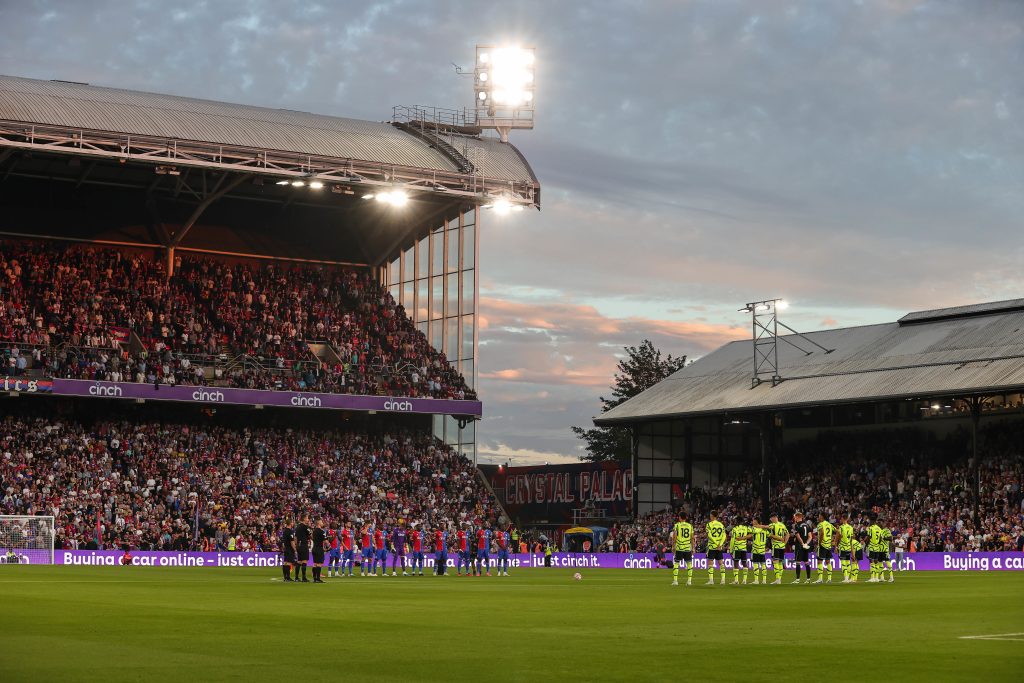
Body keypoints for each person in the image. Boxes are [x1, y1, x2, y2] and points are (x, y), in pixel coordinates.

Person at [670, 510, 695, 587]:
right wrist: (693, 548)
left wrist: (673, 546)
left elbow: (674, 537)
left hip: (679, 548)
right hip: (687, 548)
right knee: (689, 564)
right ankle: (689, 581)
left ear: (680, 517)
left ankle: (675, 581)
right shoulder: (690, 526)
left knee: (676, 564)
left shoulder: (677, 525)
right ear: (686, 518)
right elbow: (692, 538)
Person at [704, 510, 727, 585]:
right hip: (719, 547)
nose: (710, 517)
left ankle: (711, 580)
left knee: (710, 562)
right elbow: (724, 536)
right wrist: (720, 544)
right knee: (721, 562)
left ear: (712, 516)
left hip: (712, 546)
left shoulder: (709, 524)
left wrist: (716, 543)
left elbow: (709, 535)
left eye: (710, 516)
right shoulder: (721, 525)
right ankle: (723, 580)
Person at [791, 511, 813, 584]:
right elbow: (810, 536)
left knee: (798, 562)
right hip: (806, 546)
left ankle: (797, 579)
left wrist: (802, 543)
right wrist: (806, 543)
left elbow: (798, 536)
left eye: (794, 517)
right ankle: (808, 579)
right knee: (806, 562)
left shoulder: (796, 525)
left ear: (797, 517)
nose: (794, 518)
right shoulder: (807, 525)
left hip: (799, 546)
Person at [814, 512, 836, 584]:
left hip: (822, 545)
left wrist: (819, 543)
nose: (818, 517)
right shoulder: (829, 524)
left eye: (819, 516)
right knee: (828, 562)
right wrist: (834, 541)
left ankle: (820, 579)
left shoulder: (820, 524)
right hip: (828, 545)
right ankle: (829, 579)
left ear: (822, 517)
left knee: (819, 561)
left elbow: (822, 533)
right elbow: (838, 531)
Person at [748, 516, 769, 585]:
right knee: (763, 564)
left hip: (756, 549)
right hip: (762, 549)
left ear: (756, 521)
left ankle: (756, 580)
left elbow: (749, 531)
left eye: (753, 520)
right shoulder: (764, 530)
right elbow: (769, 535)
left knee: (756, 564)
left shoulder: (755, 528)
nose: (752, 522)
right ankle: (764, 580)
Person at [729, 520, 750, 585]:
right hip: (744, 548)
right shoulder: (746, 528)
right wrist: (744, 537)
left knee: (736, 563)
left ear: (737, 522)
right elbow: (752, 533)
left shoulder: (735, 529)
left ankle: (736, 580)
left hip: (737, 548)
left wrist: (731, 550)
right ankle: (744, 580)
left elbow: (732, 540)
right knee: (744, 563)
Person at [837, 512, 855, 583]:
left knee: (843, 563)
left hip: (842, 547)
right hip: (848, 547)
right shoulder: (851, 527)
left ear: (842, 519)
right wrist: (852, 550)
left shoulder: (841, 527)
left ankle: (846, 578)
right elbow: (851, 539)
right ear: (847, 519)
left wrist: (836, 546)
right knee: (848, 563)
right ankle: (849, 578)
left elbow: (838, 537)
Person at [866, 515, 886, 583]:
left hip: (871, 546)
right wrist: (877, 543)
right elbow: (881, 539)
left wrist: (866, 545)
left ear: (872, 521)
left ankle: (872, 577)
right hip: (877, 547)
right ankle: (877, 578)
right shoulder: (879, 528)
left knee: (871, 562)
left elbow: (868, 537)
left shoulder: (871, 528)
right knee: (876, 562)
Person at [295, 515, 311, 583]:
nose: (308, 519)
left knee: (299, 561)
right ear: (304, 519)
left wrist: (296, 545)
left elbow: (295, 537)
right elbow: (310, 534)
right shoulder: (305, 526)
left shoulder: (298, 526)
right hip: (304, 545)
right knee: (304, 561)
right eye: (307, 518)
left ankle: (296, 577)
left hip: (299, 545)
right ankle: (304, 578)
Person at [281, 518, 296, 583]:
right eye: (292, 522)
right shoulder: (290, 531)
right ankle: (288, 577)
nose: (293, 523)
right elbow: (292, 542)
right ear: (290, 523)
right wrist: (295, 549)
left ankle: (285, 577)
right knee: (289, 563)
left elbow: (283, 542)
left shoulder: (284, 531)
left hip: (286, 548)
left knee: (285, 562)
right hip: (290, 549)